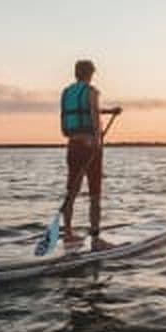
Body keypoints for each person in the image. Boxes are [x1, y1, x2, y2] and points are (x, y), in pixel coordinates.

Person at [60, 59, 121, 251]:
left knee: (72, 191)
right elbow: (93, 115)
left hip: (72, 144)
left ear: (76, 73)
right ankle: (96, 239)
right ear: (90, 73)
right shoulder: (92, 92)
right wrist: (96, 140)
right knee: (95, 193)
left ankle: (68, 234)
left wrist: (110, 111)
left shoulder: (66, 92)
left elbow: (81, 113)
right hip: (90, 147)